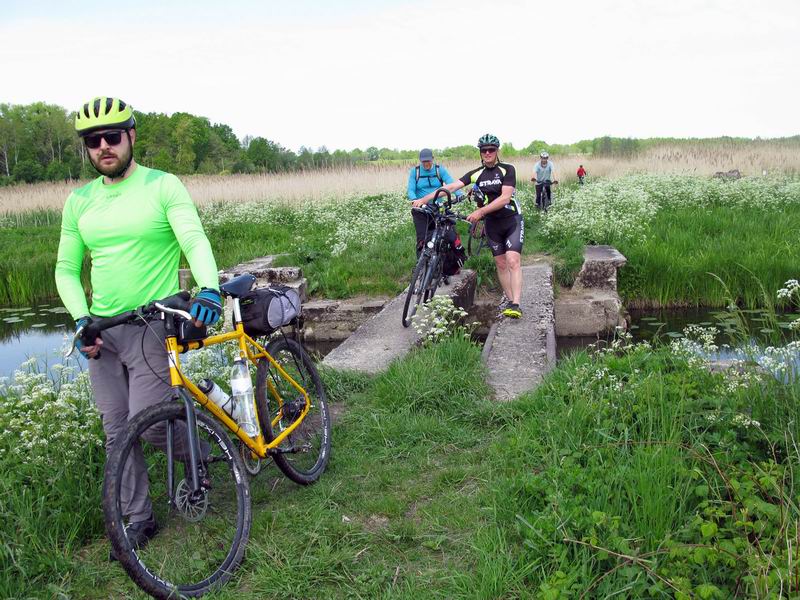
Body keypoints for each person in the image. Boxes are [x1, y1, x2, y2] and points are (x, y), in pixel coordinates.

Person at [55, 96, 223, 558]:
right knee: (116, 431)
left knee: (147, 427)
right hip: (103, 331)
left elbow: (193, 237)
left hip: (151, 322)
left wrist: (208, 287)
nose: (104, 146)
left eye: (112, 136)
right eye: (94, 141)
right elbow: (66, 268)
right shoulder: (79, 202)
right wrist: (80, 320)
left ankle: (204, 457)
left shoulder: (163, 186)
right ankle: (138, 518)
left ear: (131, 136)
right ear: (87, 148)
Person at [413, 134, 524, 319]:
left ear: (497, 151)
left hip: (511, 219)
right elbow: (450, 187)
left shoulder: (507, 169)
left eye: (491, 150)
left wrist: (480, 212)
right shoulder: (476, 173)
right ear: (480, 153)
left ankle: (516, 303)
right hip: (492, 223)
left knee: (513, 260)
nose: (488, 153)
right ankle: (511, 302)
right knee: (501, 263)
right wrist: (423, 200)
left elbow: (505, 197)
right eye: (484, 150)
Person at [407, 148, 460, 258]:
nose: (426, 164)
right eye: (424, 162)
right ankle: (421, 266)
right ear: (420, 161)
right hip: (421, 209)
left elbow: (451, 183)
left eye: (428, 161)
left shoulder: (439, 170)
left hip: (437, 208)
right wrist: (414, 200)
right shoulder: (415, 172)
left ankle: (441, 262)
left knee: (441, 236)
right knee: (422, 239)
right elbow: (411, 189)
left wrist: (459, 194)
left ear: (433, 159)